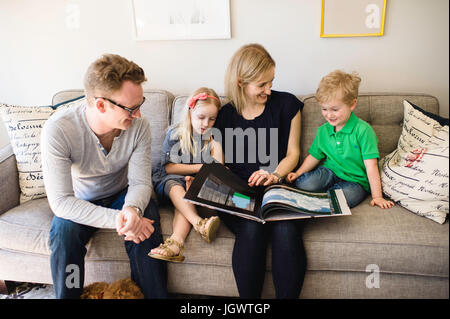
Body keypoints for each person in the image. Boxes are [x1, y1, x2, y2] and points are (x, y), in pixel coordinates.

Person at [41, 54, 168, 299]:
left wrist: (132, 209)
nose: (139, 115)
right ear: (101, 105)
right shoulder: (58, 130)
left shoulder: (139, 127)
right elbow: (61, 202)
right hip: (80, 200)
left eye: (140, 105)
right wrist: (121, 220)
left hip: (121, 194)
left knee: (147, 215)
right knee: (63, 232)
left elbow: (141, 182)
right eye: (131, 109)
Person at [213, 43, 307, 298]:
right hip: (239, 194)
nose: (269, 90)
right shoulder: (224, 116)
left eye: (271, 82)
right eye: (262, 85)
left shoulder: (287, 105)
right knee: (251, 227)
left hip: (276, 187)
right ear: (241, 82)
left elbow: (293, 155)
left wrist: (274, 175)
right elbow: (218, 166)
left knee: (285, 227)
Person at [286, 70, 395, 209]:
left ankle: (326, 197)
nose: (329, 115)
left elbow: (371, 166)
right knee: (303, 184)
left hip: (355, 181)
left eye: (335, 109)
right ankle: (324, 194)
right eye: (324, 109)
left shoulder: (363, 131)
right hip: (330, 172)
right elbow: (314, 156)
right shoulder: (323, 131)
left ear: (352, 104)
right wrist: (297, 173)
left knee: (339, 199)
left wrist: (377, 196)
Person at [149, 88, 223, 262]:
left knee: (187, 198)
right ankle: (199, 223)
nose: (206, 123)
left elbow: (218, 171)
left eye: (212, 119)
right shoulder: (175, 132)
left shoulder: (213, 138)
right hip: (169, 182)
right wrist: (199, 168)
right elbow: (169, 168)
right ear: (190, 112)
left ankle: (175, 243)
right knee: (176, 186)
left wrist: (216, 146)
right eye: (201, 117)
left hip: (193, 187)